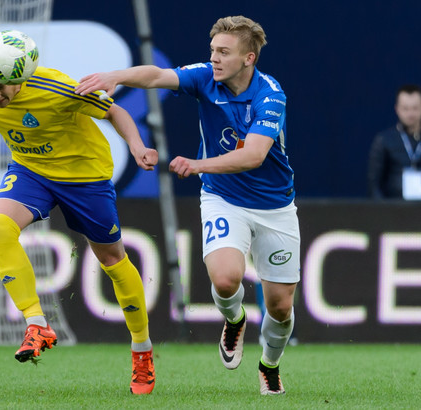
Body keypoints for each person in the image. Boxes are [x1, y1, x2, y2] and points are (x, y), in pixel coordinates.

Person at [0, 33, 158, 395]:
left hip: (84, 178)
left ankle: (142, 350)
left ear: (19, 78)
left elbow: (114, 110)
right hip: (31, 172)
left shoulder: (57, 87)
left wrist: (138, 145)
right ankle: (37, 323)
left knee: (112, 260)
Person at [76, 15, 299, 395]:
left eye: (223, 52)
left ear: (249, 58)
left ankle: (269, 364)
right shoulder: (204, 78)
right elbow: (156, 76)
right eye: (212, 50)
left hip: (275, 206)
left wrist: (197, 165)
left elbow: (255, 155)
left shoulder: (270, 95)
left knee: (280, 307)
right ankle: (235, 318)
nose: (214, 58)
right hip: (222, 197)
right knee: (226, 279)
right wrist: (116, 76)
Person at [368, 84, 421, 200]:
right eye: (405, 108)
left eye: (415, 108)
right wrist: (384, 211)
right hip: (396, 210)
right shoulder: (384, 140)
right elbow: (374, 183)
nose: (410, 114)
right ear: (397, 109)